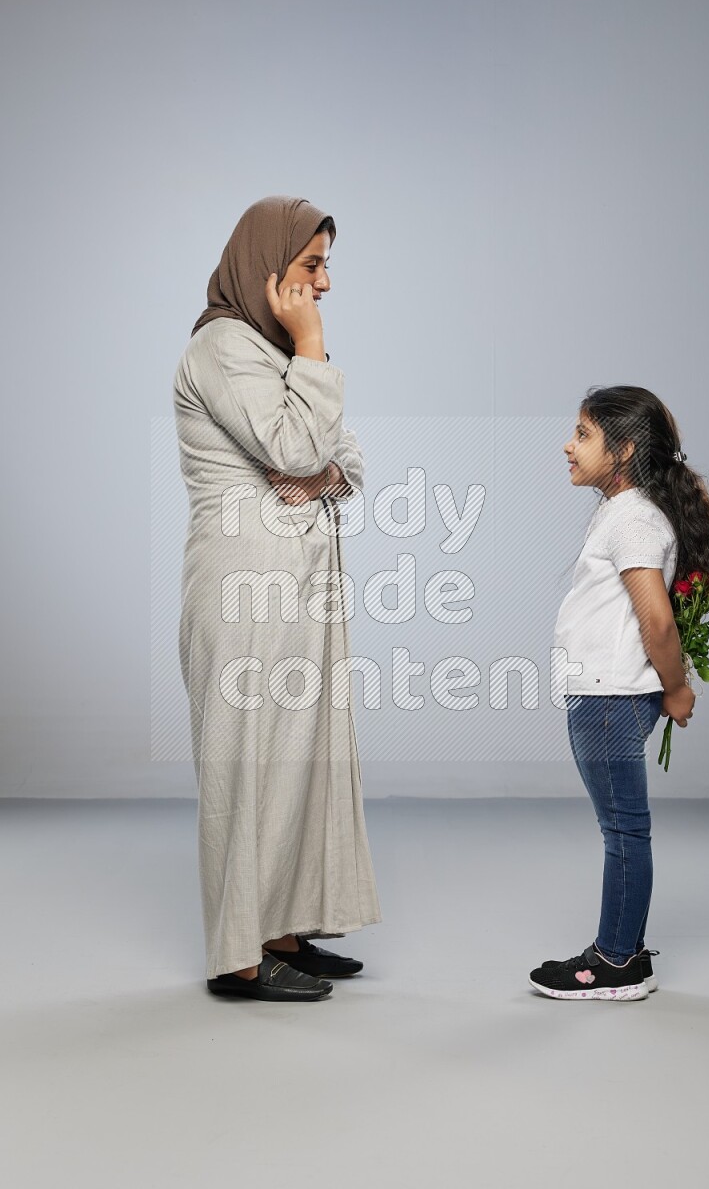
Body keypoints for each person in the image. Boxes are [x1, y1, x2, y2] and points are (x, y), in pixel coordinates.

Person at [173, 195, 381, 1002]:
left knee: (298, 758)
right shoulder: (224, 347)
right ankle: (237, 958)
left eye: (326, 267)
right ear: (266, 266)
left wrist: (319, 471)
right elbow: (297, 445)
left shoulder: (273, 354)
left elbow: (345, 463)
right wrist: (313, 347)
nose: (323, 284)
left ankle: (283, 931)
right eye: (310, 266)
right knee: (246, 763)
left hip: (297, 587)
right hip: (243, 588)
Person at [528, 385, 709, 1001]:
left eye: (583, 434)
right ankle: (621, 952)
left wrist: (677, 689)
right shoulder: (624, 510)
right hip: (605, 695)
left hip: (611, 698)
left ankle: (617, 961)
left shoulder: (632, 519)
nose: (568, 446)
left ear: (623, 451)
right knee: (624, 829)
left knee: (624, 832)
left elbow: (657, 621)